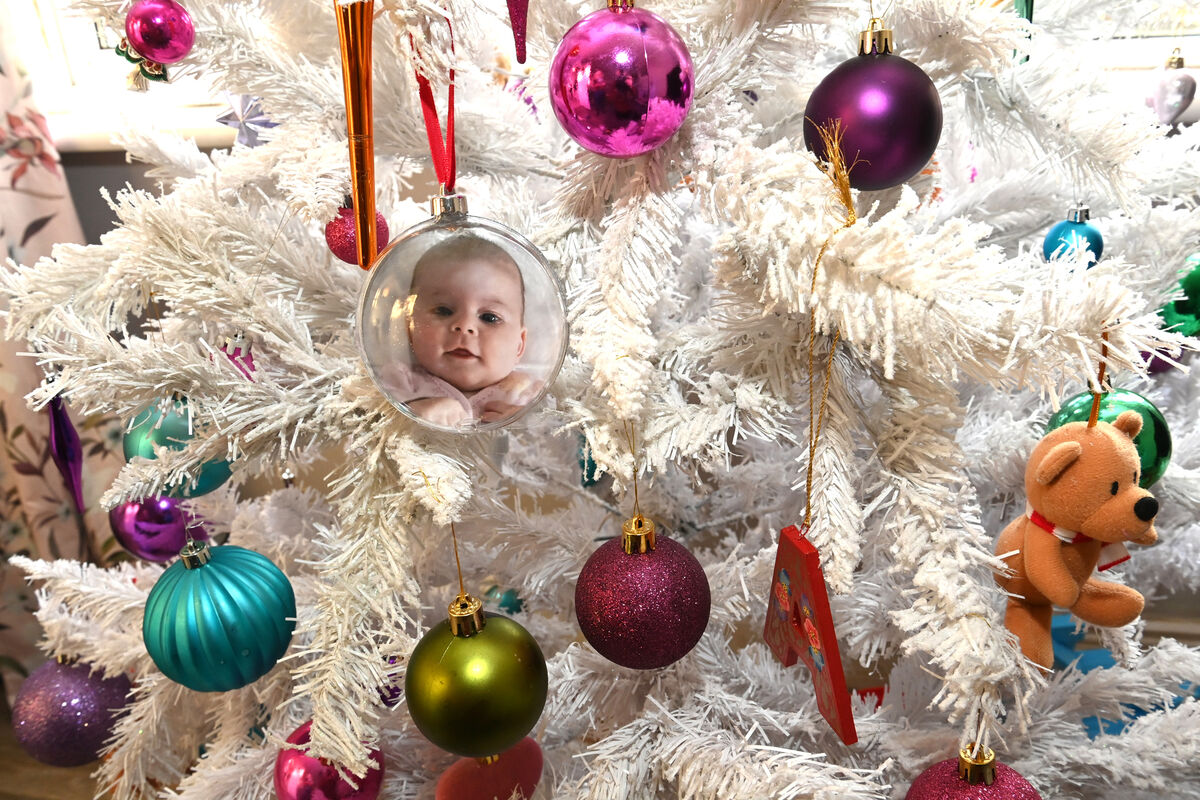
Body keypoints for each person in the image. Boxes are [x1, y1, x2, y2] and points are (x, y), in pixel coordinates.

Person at [381, 234, 542, 427]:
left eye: (489, 317)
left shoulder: (529, 394)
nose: (465, 326)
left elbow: (562, 434)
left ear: (519, 345)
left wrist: (527, 423)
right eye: (444, 311)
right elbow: (371, 422)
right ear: (410, 328)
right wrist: (415, 411)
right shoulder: (400, 382)